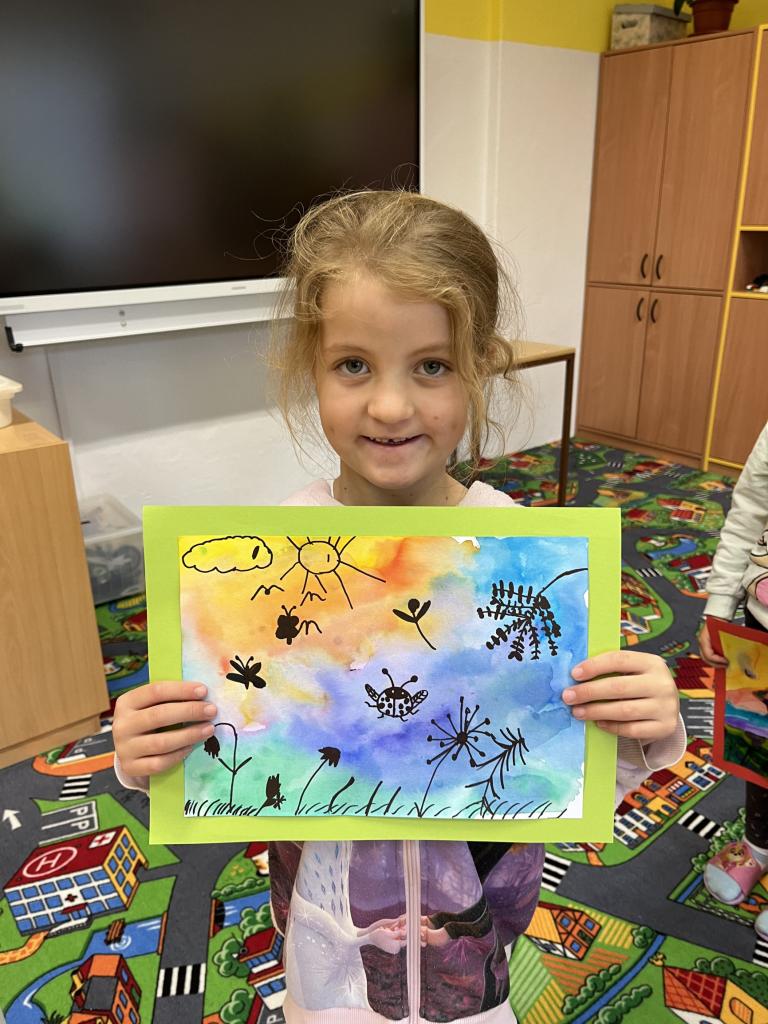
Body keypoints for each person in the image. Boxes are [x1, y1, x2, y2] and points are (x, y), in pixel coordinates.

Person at [113, 190, 685, 1023]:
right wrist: (150, 752)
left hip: (474, 938)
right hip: (327, 939)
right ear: (310, 368)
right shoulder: (268, 560)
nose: (389, 405)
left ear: (480, 367)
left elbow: (567, 767)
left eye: (432, 366)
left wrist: (637, 727)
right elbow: (220, 760)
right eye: (354, 365)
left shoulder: (523, 554)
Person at [698, 421, 768, 940]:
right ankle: (759, 845)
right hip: (760, 625)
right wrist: (720, 605)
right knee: (758, 745)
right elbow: (750, 510)